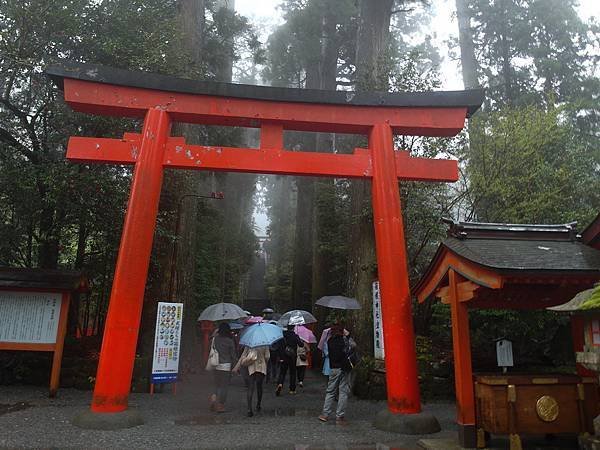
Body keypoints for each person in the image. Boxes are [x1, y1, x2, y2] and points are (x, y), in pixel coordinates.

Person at [318, 324, 356, 425]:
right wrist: (348, 336)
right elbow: (353, 346)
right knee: (343, 391)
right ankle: (340, 416)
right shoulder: (344, 340)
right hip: (345, 368)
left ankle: (325, 414)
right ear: (342, 331)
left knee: (330, 391)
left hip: (334, 368)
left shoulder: (330, 341)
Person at [233, 345, 270, 417]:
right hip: (261, 367)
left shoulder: (249, 344)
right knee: (259, 386)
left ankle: (249, 409)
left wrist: (236, 367)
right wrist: (265, 362)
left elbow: (243, 356)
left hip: (251, 367)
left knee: (250, 387)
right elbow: (267, 356)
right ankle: (258, 405)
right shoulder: (265, 344)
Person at [209, 322, 237, 413]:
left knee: (216, 384)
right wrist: (236, 366)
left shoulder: (215, 339)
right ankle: (221, 405)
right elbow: (233, 355)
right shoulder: (230, 341)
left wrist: (215, 332)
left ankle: (213, 397)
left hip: (215, 364)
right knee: (224, 386)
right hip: (226, 366)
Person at [276, 324, 303, 395]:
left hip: (284, 357)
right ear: (293, 328)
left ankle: (280, 384)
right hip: (292, 357)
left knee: (282, 372)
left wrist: (280, 357)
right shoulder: (295, 336)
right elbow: (301, 345)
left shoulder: (282, 336)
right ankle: (292, 389)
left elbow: (279, 346)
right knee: (293, 373)